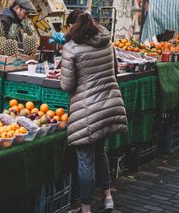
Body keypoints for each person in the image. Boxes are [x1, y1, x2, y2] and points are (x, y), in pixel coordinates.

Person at [61, 12, 127, 213]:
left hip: (87, 111)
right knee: (100, 152)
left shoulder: (71, 48)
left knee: (85, 160)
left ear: (73, 26)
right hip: (109, 106)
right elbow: (114, 71)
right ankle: (108, 198)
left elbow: (67, 84)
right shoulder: (107, 42)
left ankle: (86, 208)